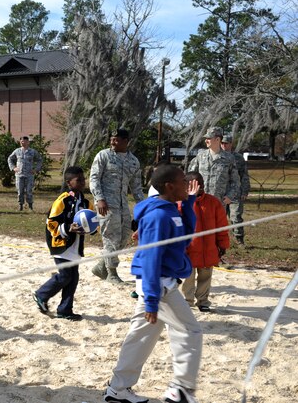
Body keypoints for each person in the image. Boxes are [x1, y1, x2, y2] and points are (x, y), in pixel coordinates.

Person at [104, 165, 202, 403]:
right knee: (190, 332)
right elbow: (150, 259)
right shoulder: (158, 215)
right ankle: (180, 390)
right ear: (169, 186)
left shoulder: (171, 210)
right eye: (182, 181)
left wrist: (188, 204)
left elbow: (185, 237)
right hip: (159, 287)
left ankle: (118, 389)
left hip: (159, 285)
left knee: (141, 336)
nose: (187, 184)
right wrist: (150, 298)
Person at [32, 166, 90, 321]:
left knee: (73, 277)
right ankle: (41, 294)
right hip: (60, 243)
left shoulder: (85, 202)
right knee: (65, 275)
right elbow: (50, 222)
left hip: (75, 245)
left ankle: (65, 310)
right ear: (69, 183)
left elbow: (91, 222)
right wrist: (67, 228)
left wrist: (88, 229)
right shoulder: (62, 200)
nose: (83, 182)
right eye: (79, 180)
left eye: (83, 179)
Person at [89, 129, 145, 283]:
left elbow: (136, 187)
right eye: (111, 139)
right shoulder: (104, 155)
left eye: (116, 140)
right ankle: (112, 272)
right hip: (106, 204)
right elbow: (94, 178)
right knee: (110, 237)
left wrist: (144, 205)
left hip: (122, 204)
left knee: (125, 235)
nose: (112, 142)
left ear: (126, 141)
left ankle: (101, 265)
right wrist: (99, 198)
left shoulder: (133, 161)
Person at [180, 172, 229, 313]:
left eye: (201, 182)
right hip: (188, 250)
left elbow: (222, 226)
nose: (199, 186)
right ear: (186, 186)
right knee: (187, 278)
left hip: (208, 250)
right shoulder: (181, 203)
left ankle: (202, 301)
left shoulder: (213, 202)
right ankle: (186, 301)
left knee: (205, 277)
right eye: (195, 183)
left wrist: (223, 245)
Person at [187, 126, 239, 208]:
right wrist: (192, 195)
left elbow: (235, 181)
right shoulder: (200, 156)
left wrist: (230, 196)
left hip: (219, 204)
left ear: (218, 139)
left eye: (209, 138)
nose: (206, 141)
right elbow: (190, 177)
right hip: (200, 202)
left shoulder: (229, 158)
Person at [220, 134, 251, 247]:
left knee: (236, 217)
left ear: (231, 144)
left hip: (235, 193)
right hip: (221, 193)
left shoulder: (238, 158)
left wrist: (245, 191)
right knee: (219, 218)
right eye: (222, 143)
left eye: (226, 143)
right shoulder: (218, 156)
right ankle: (219, 241)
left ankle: (239, 239)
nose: (223, 145)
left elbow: (244, 175)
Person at [7, 136, 42, 211]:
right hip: (19, 174)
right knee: (20, 191)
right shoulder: (17, 151)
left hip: (29, 175)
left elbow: (39, 160)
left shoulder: (32, 151)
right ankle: (20, 205)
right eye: (21, 141)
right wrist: (13, 168)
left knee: (29, 191)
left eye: (24, 141)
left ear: (28, 142)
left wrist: (36, 169)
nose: (22, 142)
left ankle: (30, 206)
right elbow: (10, 159)